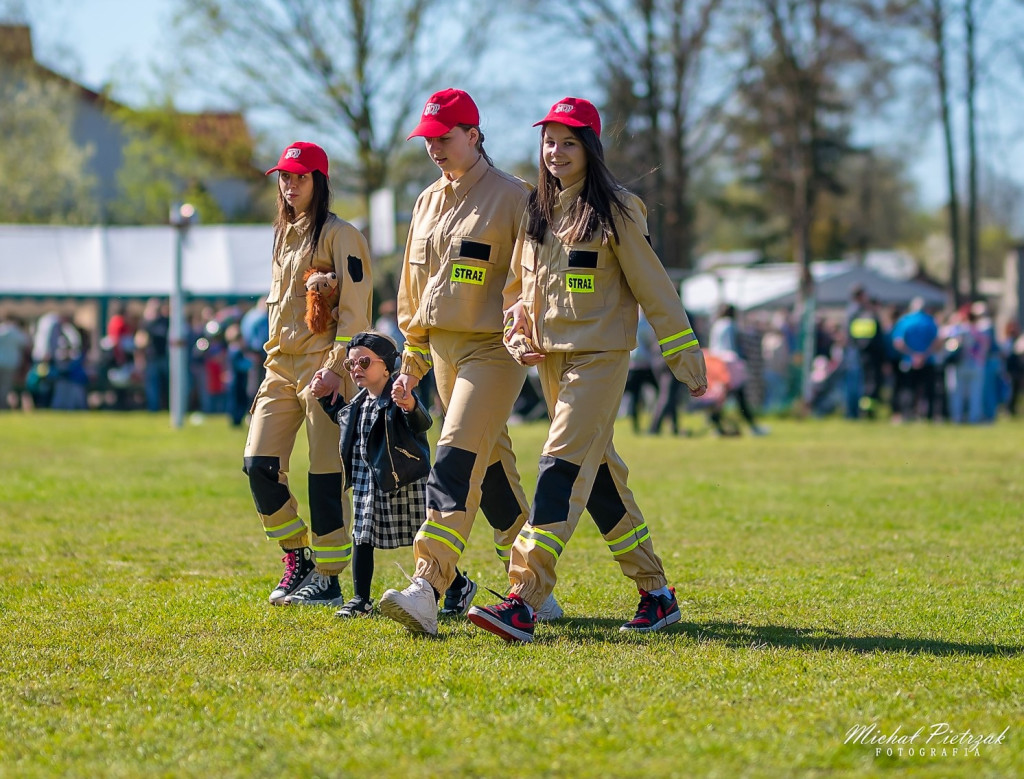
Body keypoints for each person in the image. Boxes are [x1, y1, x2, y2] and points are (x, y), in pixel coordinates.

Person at [466, 97, 708, 642]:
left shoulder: (620, 209)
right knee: (598, 479)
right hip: (551, 363)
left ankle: (522, 599)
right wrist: (516, 330)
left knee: (559, 470)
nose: (555, 152)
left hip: (600, 361)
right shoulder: (537, 209)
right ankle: (657, 594)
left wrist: (685, 355)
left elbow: (655, 286)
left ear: (591, 148)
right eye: (549, 141)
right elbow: (518, 291)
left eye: (568, 142)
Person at [377, 88, 562, 636]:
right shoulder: (426, 200)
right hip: (441, 353)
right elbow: (415, 286)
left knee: (454, 457)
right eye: (428, 140)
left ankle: (427, 585)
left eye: (443, 138)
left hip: (493, 351)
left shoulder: (517, 198)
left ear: (474, 135)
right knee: (494, 466)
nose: (433, 148)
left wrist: (525, 324)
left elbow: (536, 279)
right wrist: (410, 357)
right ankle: (532, 586)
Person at [243, 141, 374, 606]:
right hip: (278, 368)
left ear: (319, 181)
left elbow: (356, 314)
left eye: (300, 177)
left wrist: (337, 369)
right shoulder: (282, 235)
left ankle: (329, 578)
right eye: (284, 177)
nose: (290, 184)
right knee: (258, 465)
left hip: (324, 370)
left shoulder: (343, 236)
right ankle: (296, 554)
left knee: (325, 476)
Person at [319, 332, 433, 617]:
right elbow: (343, 419)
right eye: (350, 364)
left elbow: (421, 421)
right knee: (362, 536)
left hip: (404, 477)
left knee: (424, 538)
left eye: (364, 362)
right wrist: (325, 400)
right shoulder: (359, 403)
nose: (356, 368)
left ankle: (455, 584)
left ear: (387, 366)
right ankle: (361, 599)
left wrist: (409, 405)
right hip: (367, 482)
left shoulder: (399, 395)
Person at [890, 297, 939, 422]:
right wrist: (923, 355)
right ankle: (928, 415)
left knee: (908, 389)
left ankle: (907, 414)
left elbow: (898, 342)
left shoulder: (904, 321)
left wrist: (913, 355)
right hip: (927, 360)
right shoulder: (930, 321)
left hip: (908, 361)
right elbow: (936, 342)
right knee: (928, 390)